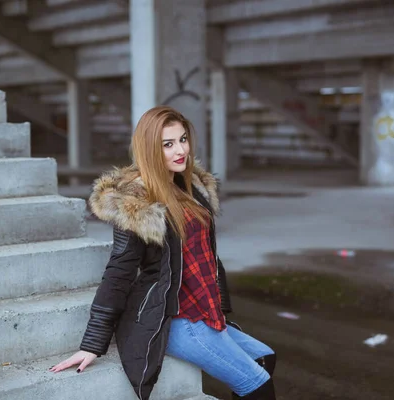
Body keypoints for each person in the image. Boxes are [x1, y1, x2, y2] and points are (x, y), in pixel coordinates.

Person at [50, 106, 277, 400]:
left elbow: (207, 255)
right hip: (174, 316)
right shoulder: (139, 202)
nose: (180, 150)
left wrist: (219, 307)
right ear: (148, 149)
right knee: (256, 382)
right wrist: (93, 343)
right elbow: (119, 271)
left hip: (203, 310)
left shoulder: (191, 187)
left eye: (182, 139)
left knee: (264, 357)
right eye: (167, 144)